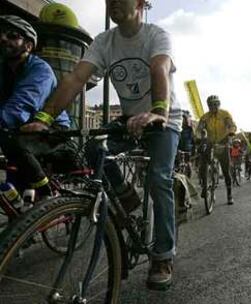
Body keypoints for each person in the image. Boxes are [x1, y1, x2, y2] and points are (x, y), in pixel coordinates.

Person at [21, 0, 181, 290]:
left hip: (164, 117)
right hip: (131, 118)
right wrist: (44, 117)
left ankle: (163, 255)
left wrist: (158, 111)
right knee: (95, 150)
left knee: (158, 179)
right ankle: (126, 197)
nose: (113, 3)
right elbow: (75, 78)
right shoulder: (104, 41)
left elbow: (159, 68)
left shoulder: (157, 35)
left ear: (141, 3)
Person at [0, 15, 71, 198]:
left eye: (13, 35)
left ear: (28, 46)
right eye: (1, 34)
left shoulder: (41, 71)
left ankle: (47, 193)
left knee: (14, 143)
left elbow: (18, 109)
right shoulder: (4, 70)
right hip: (20, 129)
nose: (3, 38)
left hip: (52, 129)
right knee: (16, 194)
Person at [196, 95, 237, 204]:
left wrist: (231, 132)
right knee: (203, 163)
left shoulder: (225, 114)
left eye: (215, 104)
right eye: (210, 105)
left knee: (226, 170)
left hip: (223, 141)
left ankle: (229, 194)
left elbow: (231, 125)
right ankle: (205, 186)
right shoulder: (205, 117)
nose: (213, 106)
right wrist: (199, 136)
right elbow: (199, 128)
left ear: (219, 104)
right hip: (210, 142)